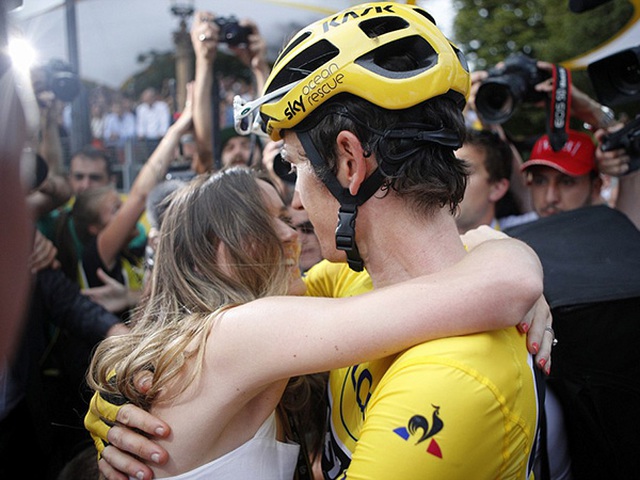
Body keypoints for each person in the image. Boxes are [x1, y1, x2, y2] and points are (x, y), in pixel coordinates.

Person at [86, 4, 556, 480]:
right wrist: (506, 255)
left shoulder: (455, 379)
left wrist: (509, 265)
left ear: (349, 162)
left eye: (295, 166)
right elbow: (491, 276)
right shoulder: (353, 283)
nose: (295, 203)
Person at [190, 11, 270, 173]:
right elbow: (205, 149)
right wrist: (203, 60)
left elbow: (273, 135)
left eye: (246, 145)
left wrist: (260, 68)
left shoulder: (275, 188)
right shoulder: (216, 188)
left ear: (262, 154)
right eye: (229, 148)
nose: (238, 153)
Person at [455, 128, 514, 233]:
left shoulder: (524, 241)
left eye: (463, 171)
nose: (447, 180)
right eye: (446, 170)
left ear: (497, 188)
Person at [136, 87, 170, 157]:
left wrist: (162, 133)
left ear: (153, 97)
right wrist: (141, 134)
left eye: (149, 97)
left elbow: (164, 121)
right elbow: (140, 123)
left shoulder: (162, 106)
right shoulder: (141, 109)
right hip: (147, 139)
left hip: (159, 138)